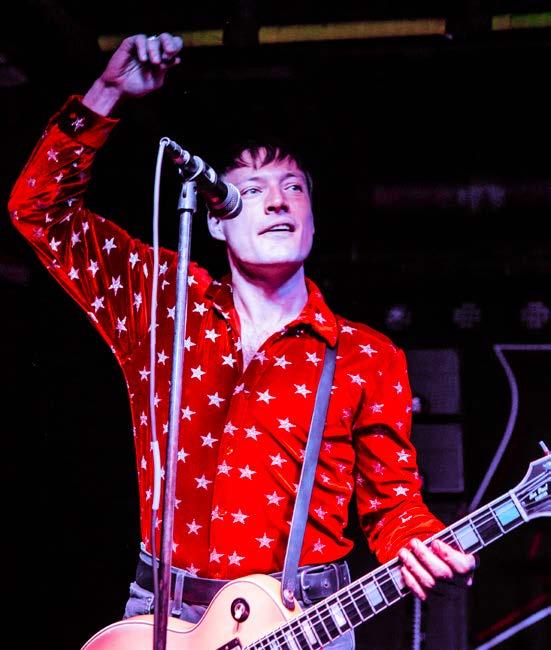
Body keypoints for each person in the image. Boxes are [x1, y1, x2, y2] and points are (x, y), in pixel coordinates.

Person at [8, 33, 476, 649]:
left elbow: (393, 506)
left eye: (293, 188)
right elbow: (39, 211)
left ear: (312, 215)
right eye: (252, 190)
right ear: (215, 218)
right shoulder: (165, 304)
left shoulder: (365, 355)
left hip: (304, 619)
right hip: (163, 616)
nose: (278, 202)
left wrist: (418, 541)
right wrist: (108, 92)